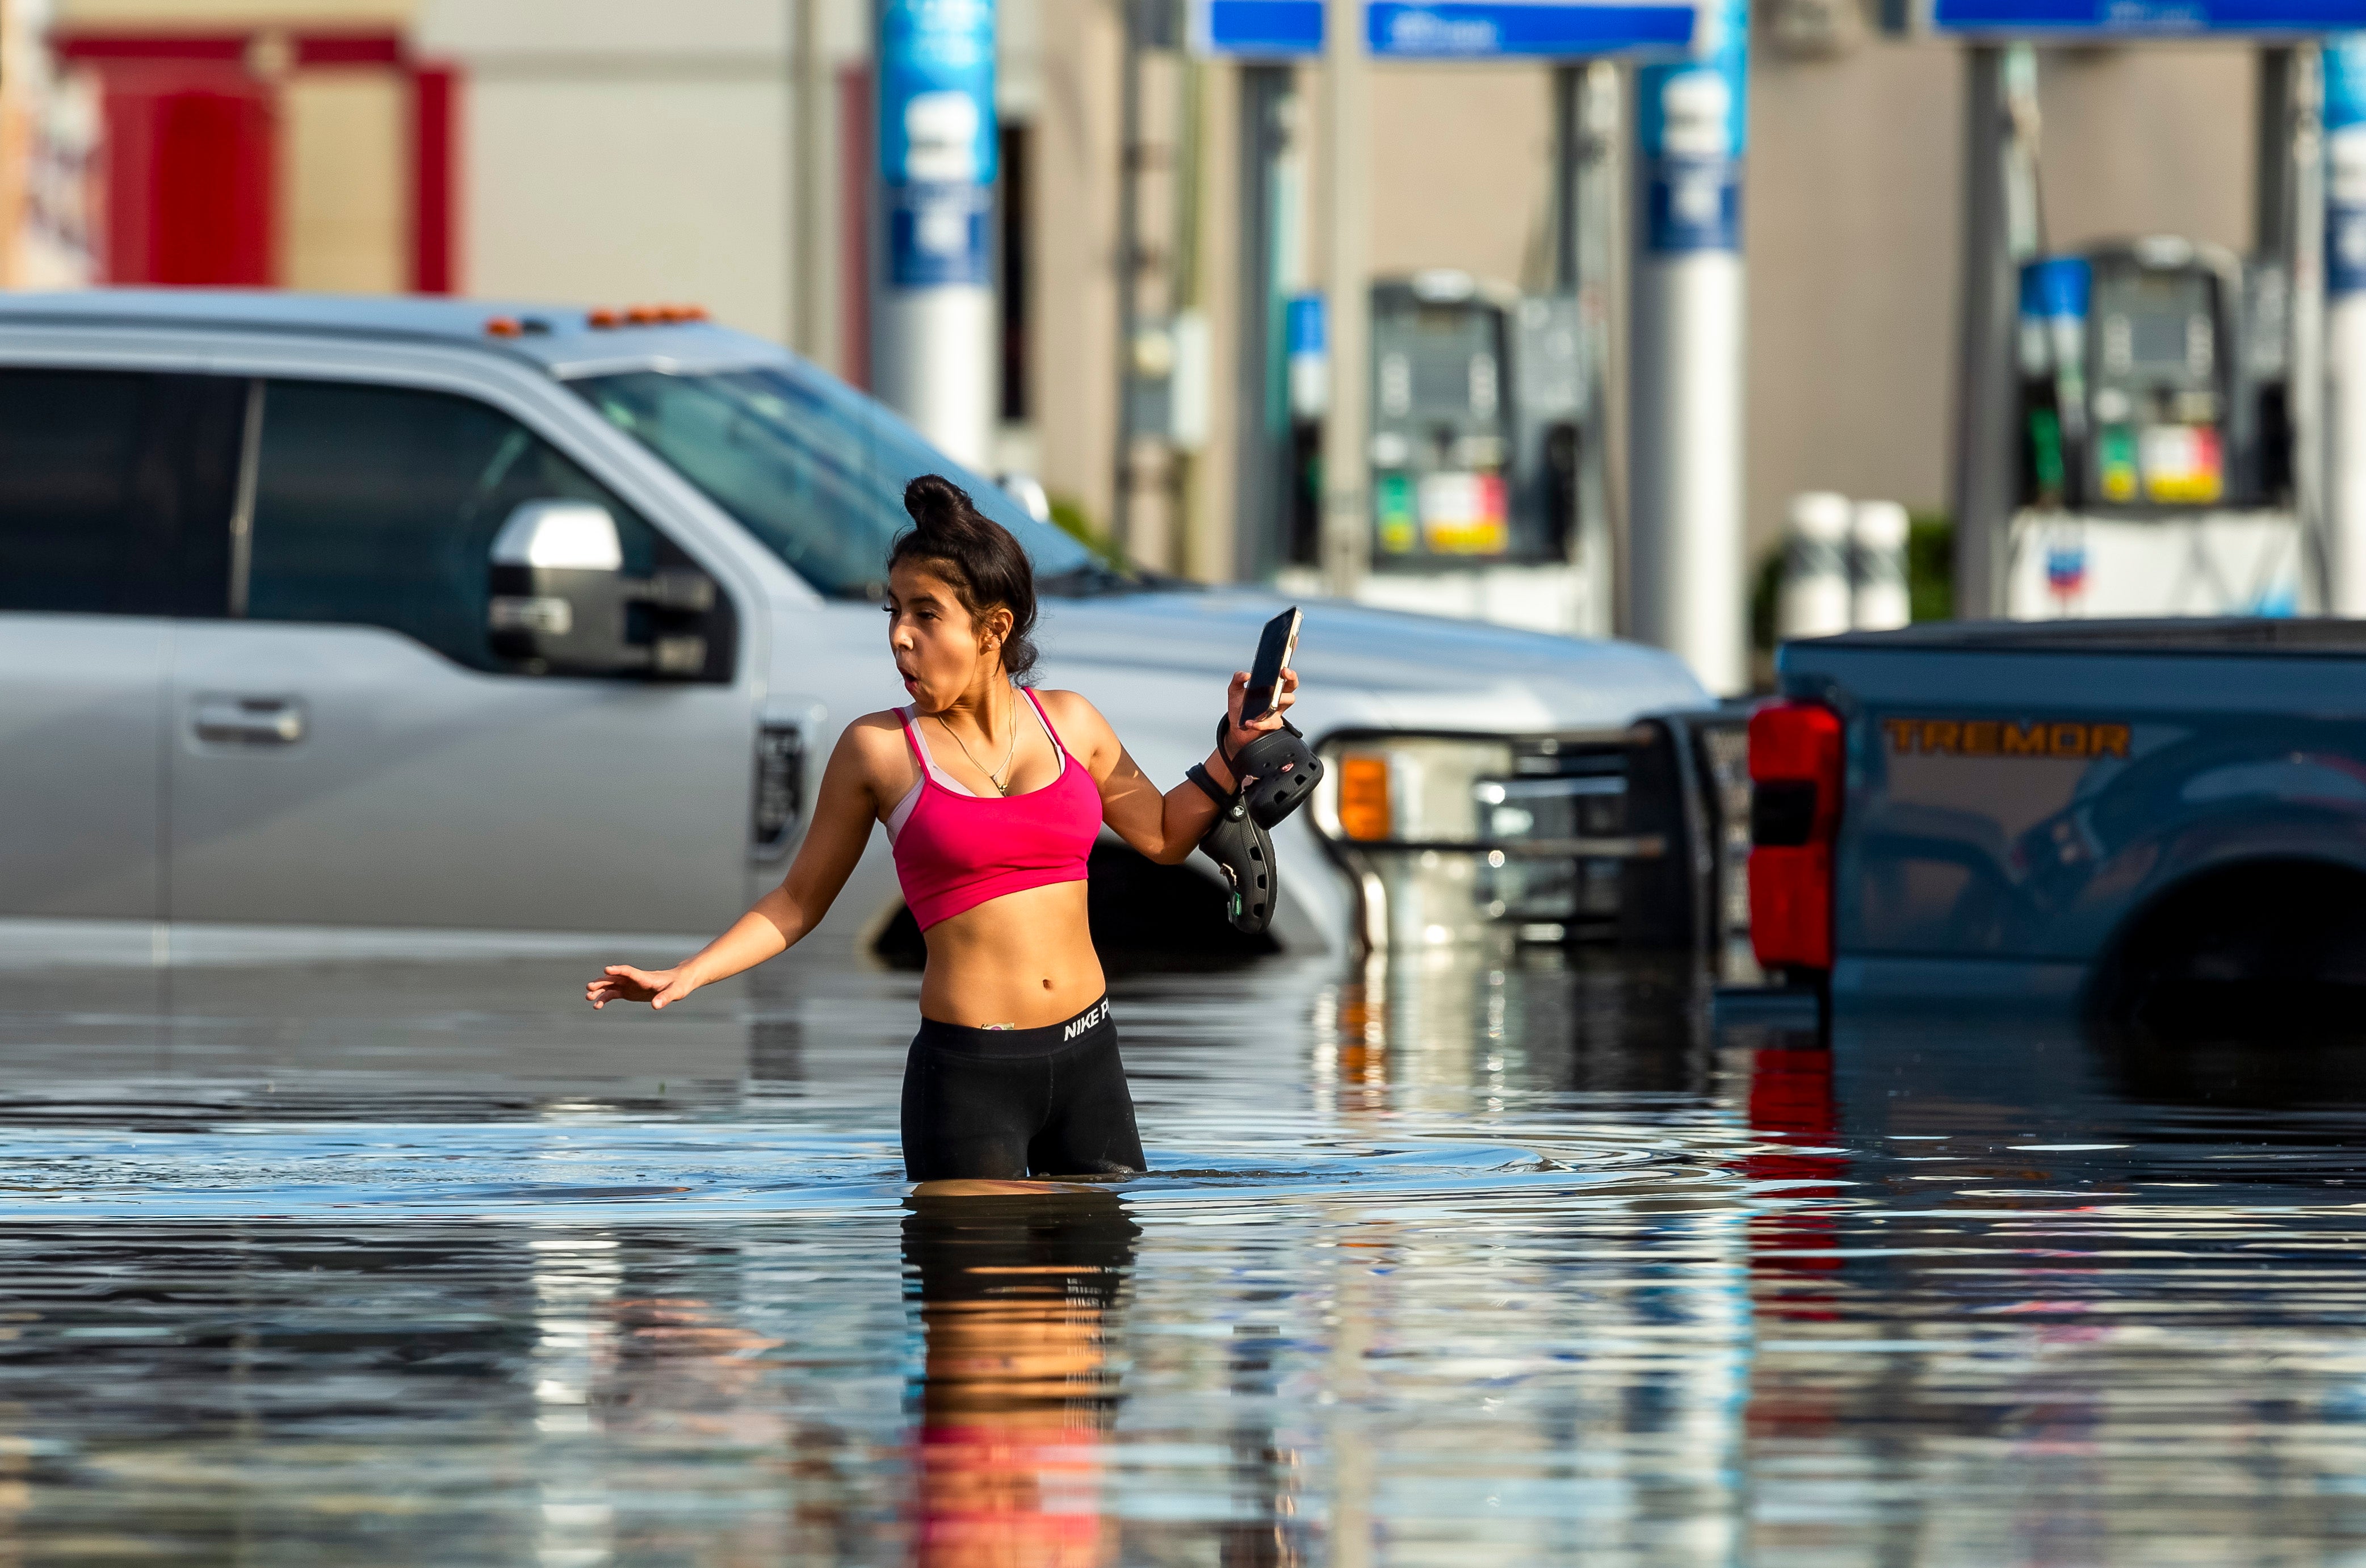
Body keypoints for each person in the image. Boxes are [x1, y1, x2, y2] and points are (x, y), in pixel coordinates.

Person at [586, 475, 1299, 1180]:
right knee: (976, 1285)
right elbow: (798, 901)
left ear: (993, 628)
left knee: (1095, 1291)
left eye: (925, 614)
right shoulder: (880, 749)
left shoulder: (1072, 723)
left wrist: (1233, 747)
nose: (900, 637)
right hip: (970, 1078)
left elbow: (1166, 834)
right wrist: (690, 972)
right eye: (894, 611)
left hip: (1090, 1060)